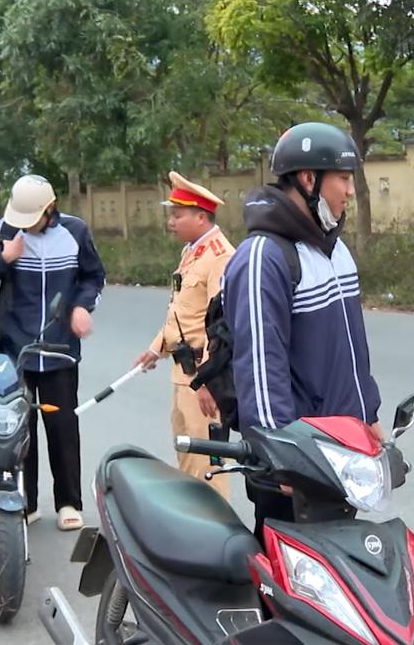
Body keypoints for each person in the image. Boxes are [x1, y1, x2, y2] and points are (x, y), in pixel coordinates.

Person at [221, 122, 383, 539]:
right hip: (295, 464)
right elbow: (260, 370)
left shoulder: (334, 250)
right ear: (309, 179)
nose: (350, 191)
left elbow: (350, 350)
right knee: (287, 587)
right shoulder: (264, 257)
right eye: (344, 179)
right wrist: (284, 458)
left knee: (337, 580)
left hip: (341, 453)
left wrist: (369, 414)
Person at [0, 174, 106, 531]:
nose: (25, 225)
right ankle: (24, 501)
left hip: (59, 349)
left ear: (51, 209)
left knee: (62, 426)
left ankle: (68, 502)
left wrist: (81, 306)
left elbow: (93, 277)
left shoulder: (76, 232)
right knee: (18, 427)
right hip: (14, 350)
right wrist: (4, 259)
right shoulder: (6, 229)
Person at [132, 172, 235, 498]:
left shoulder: (220, 256)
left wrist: (206, 381)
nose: (170, 221)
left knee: (207, 464)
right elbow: (182, 312)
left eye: (178, 215)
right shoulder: (193, 251)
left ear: (201, 217)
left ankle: (215, 535)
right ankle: (195, 530)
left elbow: (222, 324)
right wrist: (155, 348)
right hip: (183, 372)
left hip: (201, 378)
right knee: (187, 456)